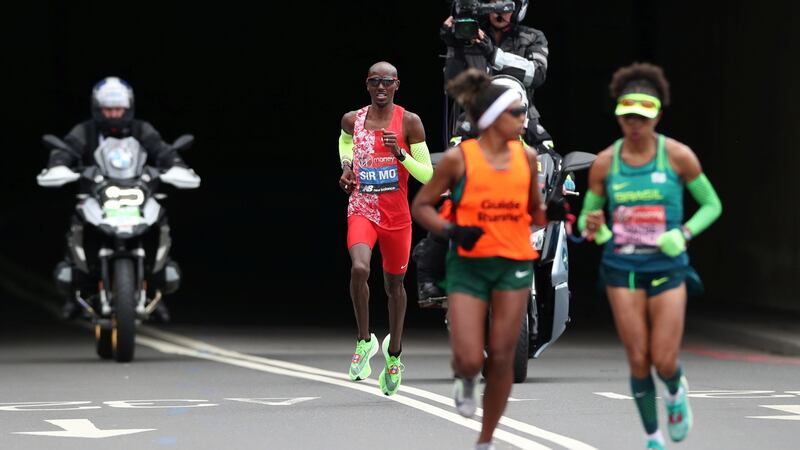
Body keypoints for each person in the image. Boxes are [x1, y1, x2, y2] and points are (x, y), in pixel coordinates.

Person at [411, 68, 560, 450]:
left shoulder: (527, 157)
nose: (524, 119)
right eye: (516, 113)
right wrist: (451, 230)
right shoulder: (459, 160)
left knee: (504, 357)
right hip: (469, 266)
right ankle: (465, 378)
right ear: (493, 118)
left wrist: (554, 211)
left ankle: (486, 439)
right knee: (468, 359)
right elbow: (422, 206)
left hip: (513, 265)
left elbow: (535, 212)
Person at [578, 62, 722, 450]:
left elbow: (712, 204)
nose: (635, 125)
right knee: (639, 358)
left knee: (664, 359)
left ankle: (675, 391)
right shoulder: (606, 162)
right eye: (628, 116)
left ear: (657, 116)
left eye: (642, 117)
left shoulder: (678, 156)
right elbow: (588, 219)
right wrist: (598, 229)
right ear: (618, 116)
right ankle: (653, 438)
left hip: (667, 267)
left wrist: (683, 233)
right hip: (621, 267)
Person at [42, 76, 195, 322]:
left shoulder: (141, 129)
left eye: (119, 109)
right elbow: (67, 150)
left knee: (160, 219)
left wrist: (177, 165)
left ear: (128, 108)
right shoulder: (86, 130)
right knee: (76, 223)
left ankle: (154, 283)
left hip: (137, 191)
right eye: (108, 110)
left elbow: (161, 149)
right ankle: (76, 288)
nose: (114, 114)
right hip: (96, 194)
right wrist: (58, 165)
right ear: (97, 109)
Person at [338, 61, 433, 396]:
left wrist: (400, 153)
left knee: (395, 286)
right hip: (362, 209)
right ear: (367, 84)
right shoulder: (353, 119)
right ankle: (364, 341)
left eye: (387, 82)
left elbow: (428, 175)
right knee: (359, 268)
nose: (381, 87)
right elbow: (345, 142)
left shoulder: (409, 122)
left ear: (396, 85)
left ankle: (394, 355)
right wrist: (346, 167)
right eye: (375, 81)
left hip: (396, 218)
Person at [441, 0, 551, 148]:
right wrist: (453, 47)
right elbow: (452, 86)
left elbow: (537, 75)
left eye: (505, 4)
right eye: (493, 3)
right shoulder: (470, 34)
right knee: (456, 159)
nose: (499, 11)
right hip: (474, 122)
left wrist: (493, 54)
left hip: (523, 120)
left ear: (518, 7)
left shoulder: (533, 36)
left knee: (542, 159)